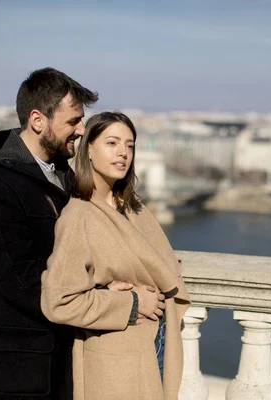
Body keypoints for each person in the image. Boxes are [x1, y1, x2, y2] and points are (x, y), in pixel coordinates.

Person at [0, 69, 164, 400]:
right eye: (73, 121)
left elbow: (72, 261)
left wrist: (100, 283)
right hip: (22, 370)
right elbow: (24, 286)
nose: (81, 130)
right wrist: (123, 303)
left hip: (60, 360)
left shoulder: (63, 179)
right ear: (38, 120)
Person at [41, 111, 191, 400]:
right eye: (112, 143)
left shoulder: (133, 207)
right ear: (89, 150)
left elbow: (162, 267)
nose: (123, 152)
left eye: (130, 145)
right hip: (114, 359)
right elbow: (58, 302)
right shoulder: (79, 216)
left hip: (153, 347)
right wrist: (131, 303)